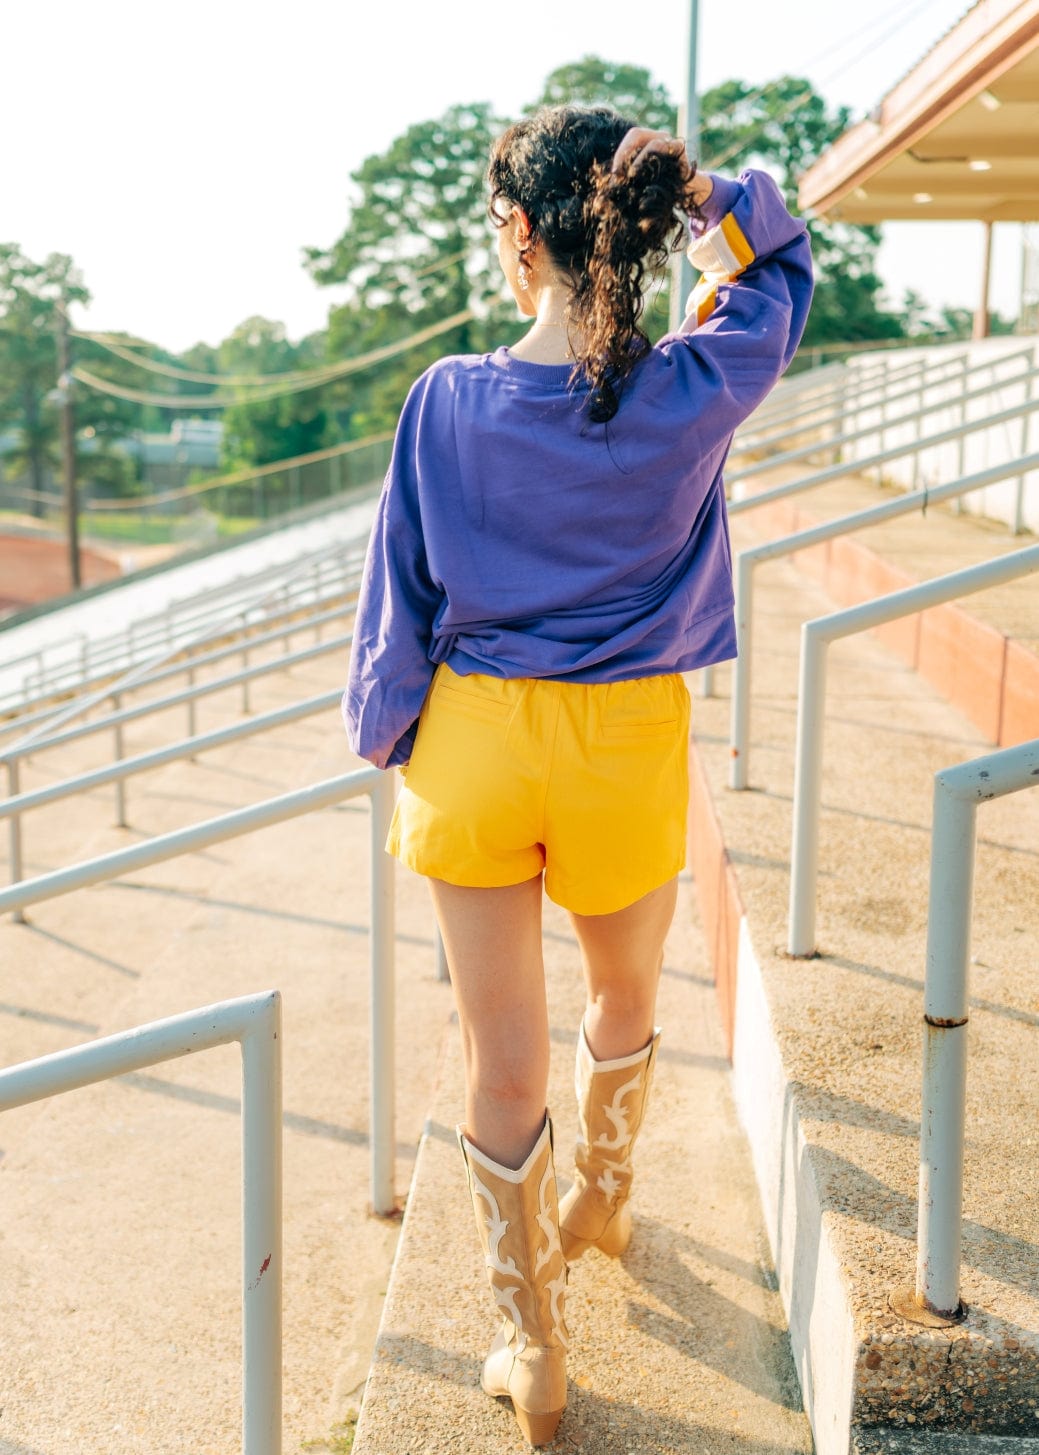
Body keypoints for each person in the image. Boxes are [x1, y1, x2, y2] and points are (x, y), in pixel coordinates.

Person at [343, 103, 813, 1447]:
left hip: (477, 743)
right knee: (623, 995)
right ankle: (601, 1198)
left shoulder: (445, 399)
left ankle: (531, 1344)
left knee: (501, 1059)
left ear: (516, 234)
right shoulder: (688, 390)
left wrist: (389, 735)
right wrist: (703, 195)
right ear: (637, 228)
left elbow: (401, 597)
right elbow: (779, 272)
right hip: (626, 742)